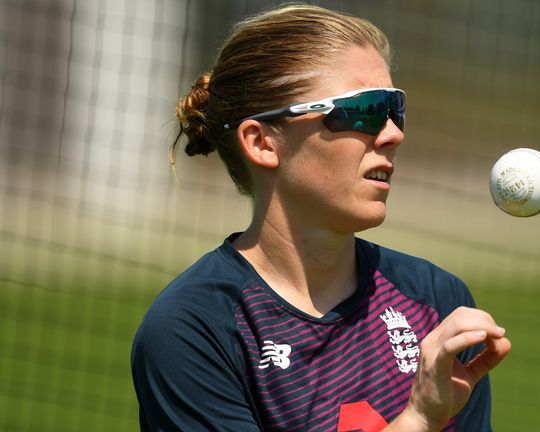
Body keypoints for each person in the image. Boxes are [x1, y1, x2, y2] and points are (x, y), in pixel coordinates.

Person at [131, 4, 511, 431]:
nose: (392, 133)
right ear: (262, 143)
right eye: (363, 110)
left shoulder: (435, 300)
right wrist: (419, 418)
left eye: (394, 109)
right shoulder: (194, 329)